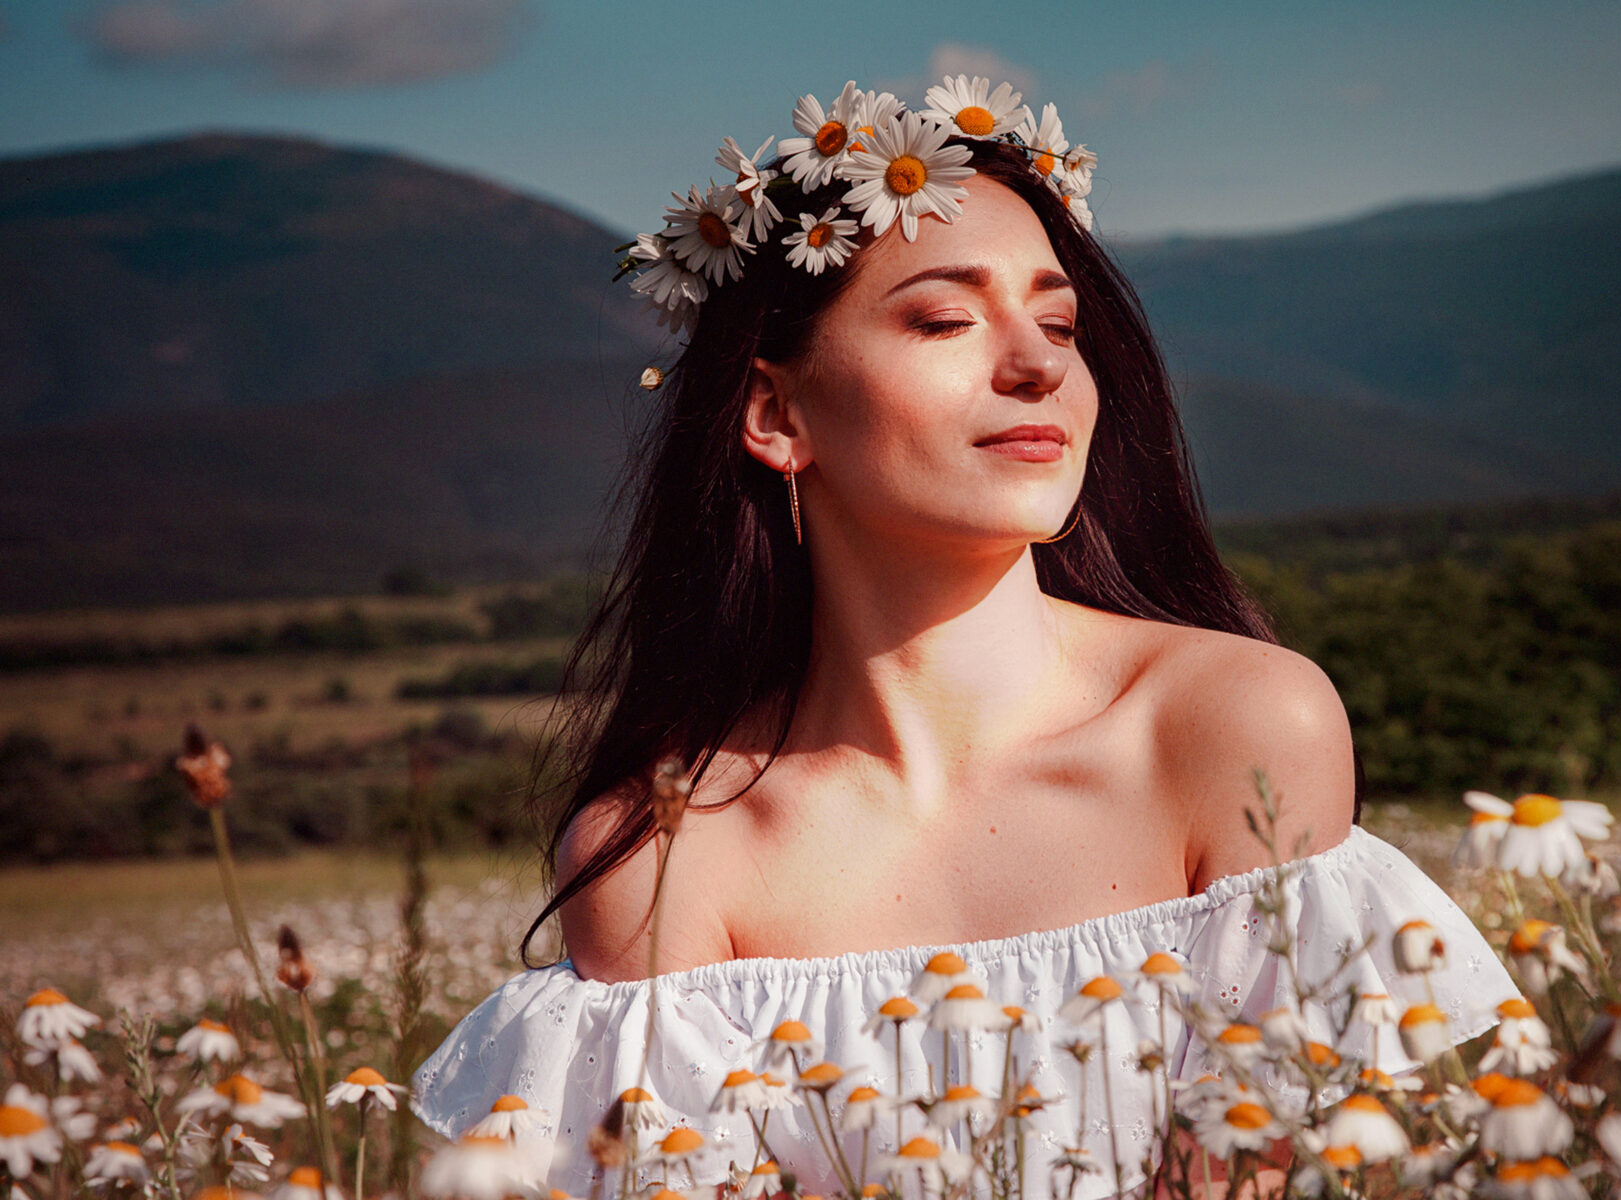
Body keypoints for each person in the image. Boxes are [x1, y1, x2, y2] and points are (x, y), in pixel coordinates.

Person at [411, 78, 1520, 1199]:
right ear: (776, 415)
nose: (1038, 365)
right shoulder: (668, 861)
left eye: (1059, 322)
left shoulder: (1232, 729)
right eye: (944, 319)